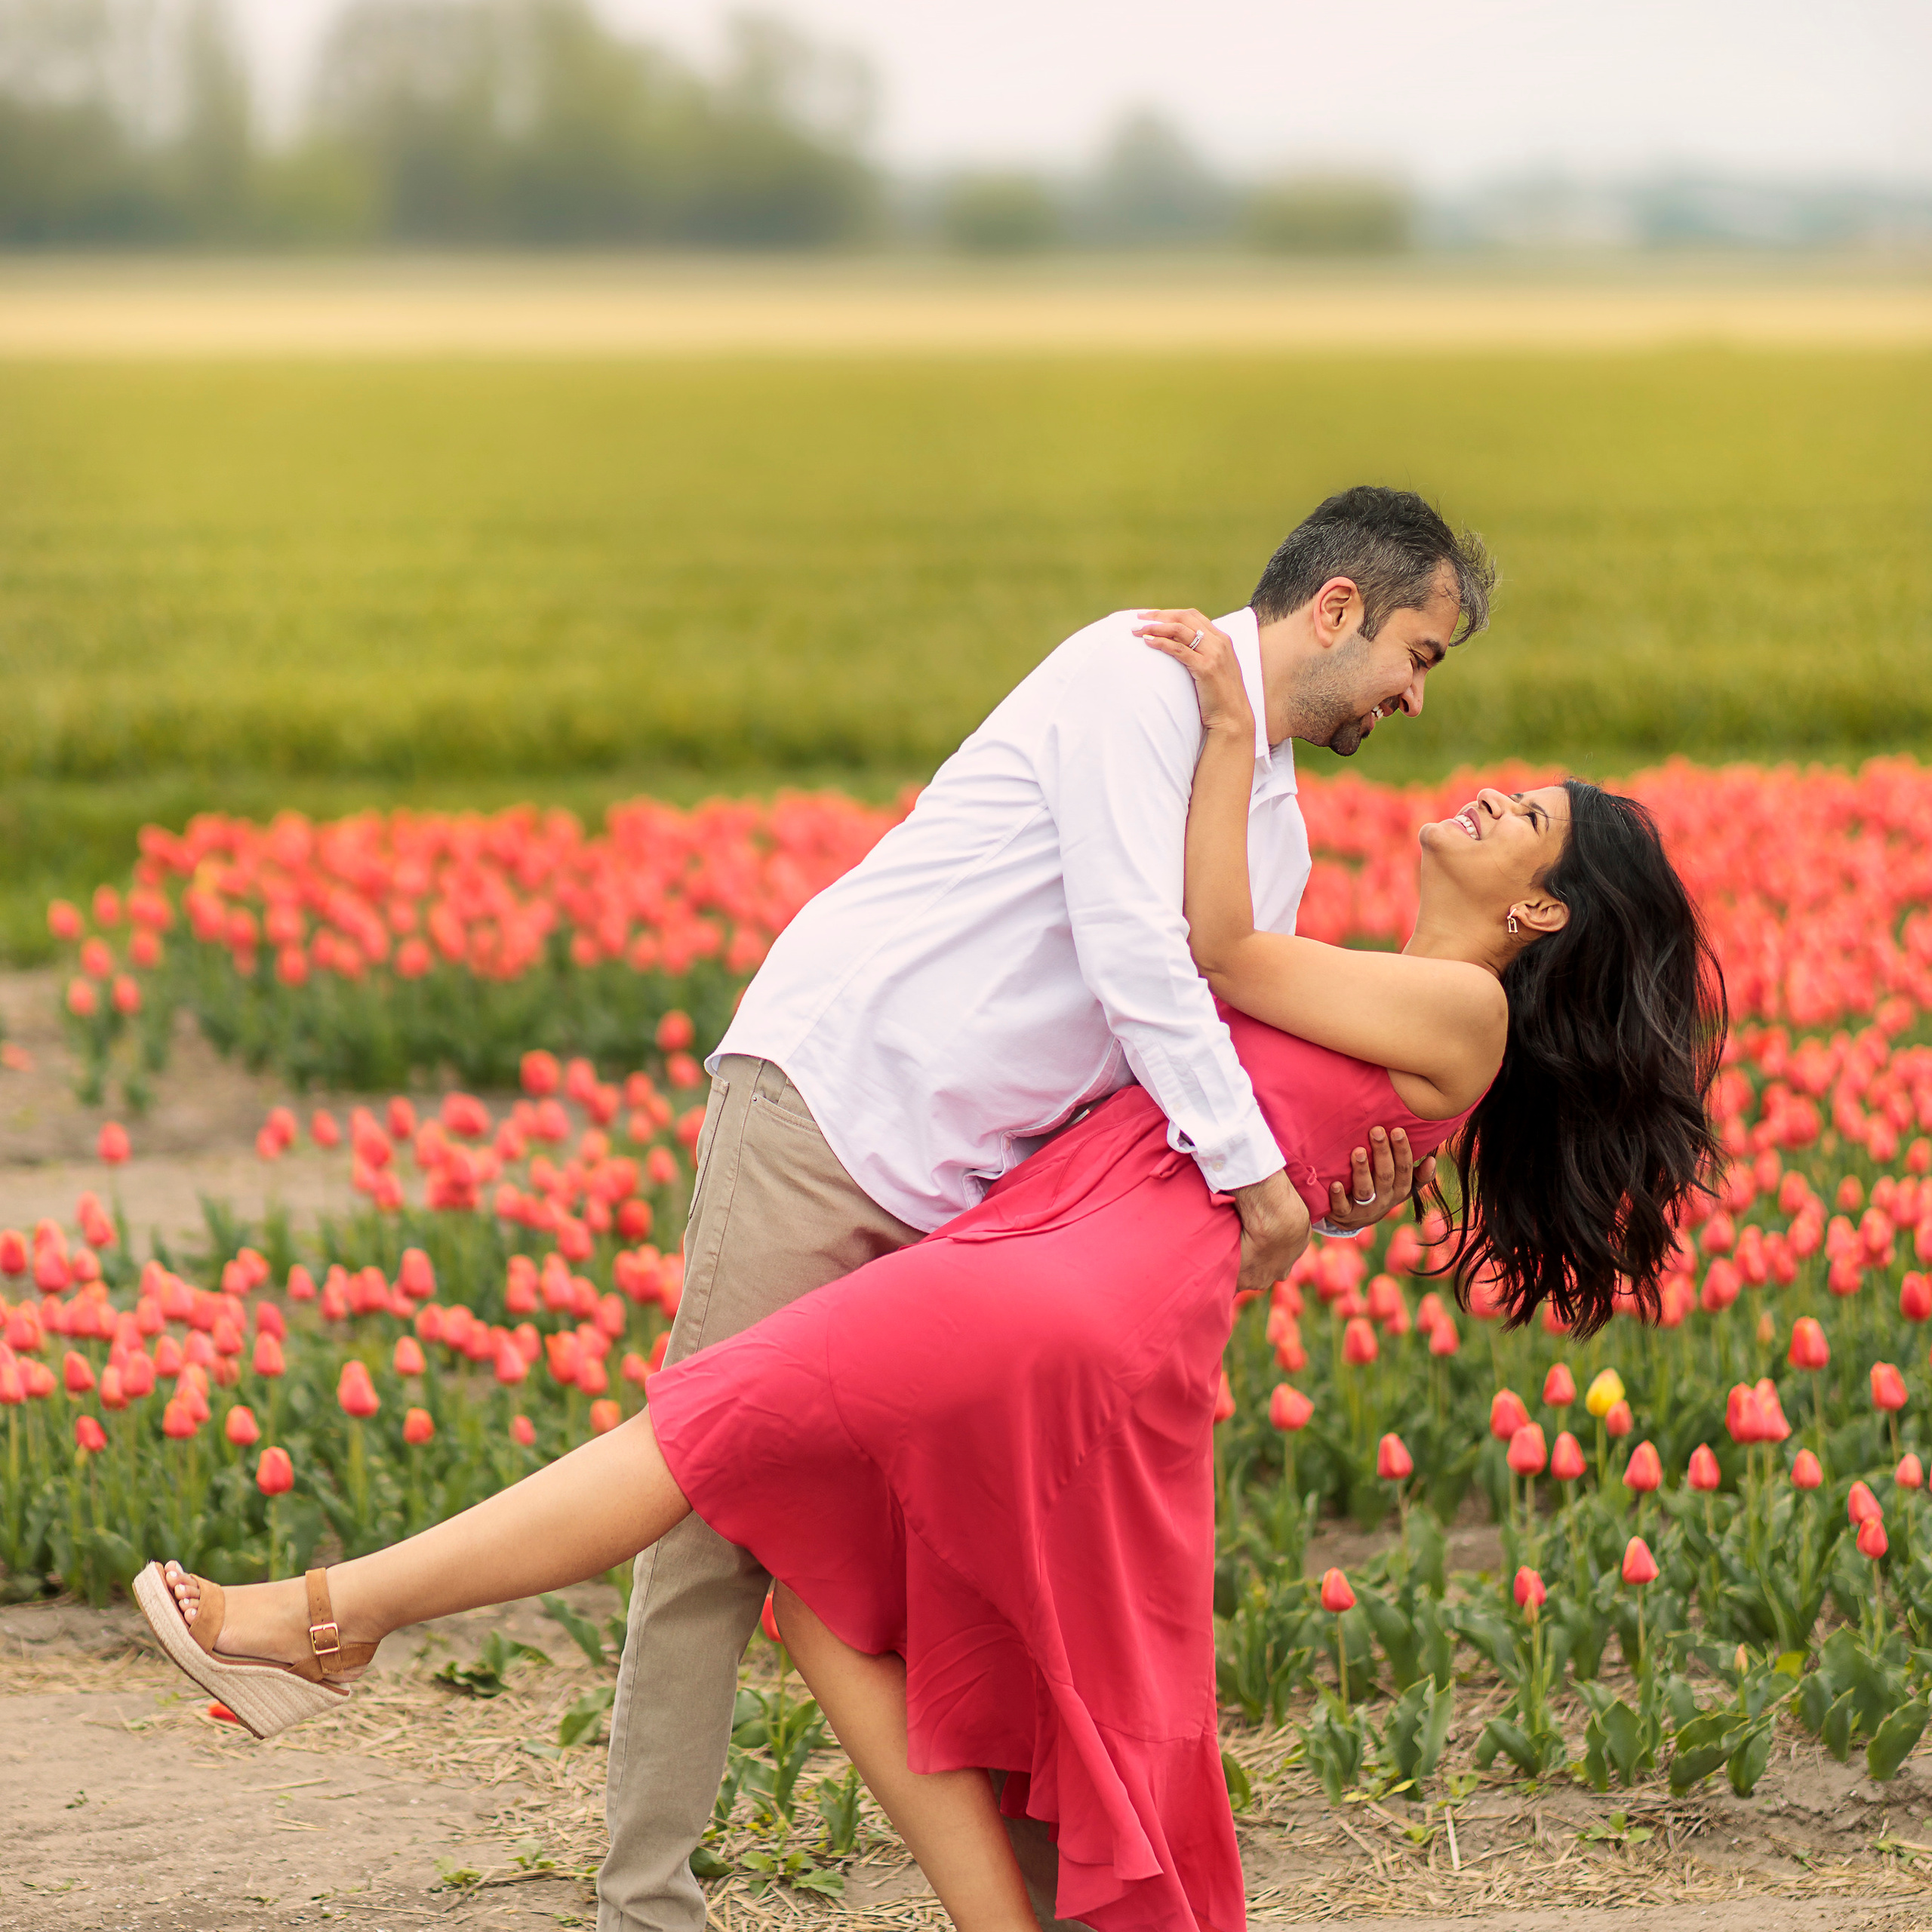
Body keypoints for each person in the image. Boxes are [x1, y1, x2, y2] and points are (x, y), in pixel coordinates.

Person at [134, 613, 1726, 1932]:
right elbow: (1206, 1072)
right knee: (825, 1587)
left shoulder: (1460, 1012)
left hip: (1056, 1291)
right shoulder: (1387, 988)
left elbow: (1212, 962)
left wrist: (1236, 739)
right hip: (1061, 1273)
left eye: (1521, 814)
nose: (1476, 783)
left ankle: (319, 1614)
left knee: (689, 1438)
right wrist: (1340, 1185)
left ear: (1533, 908)